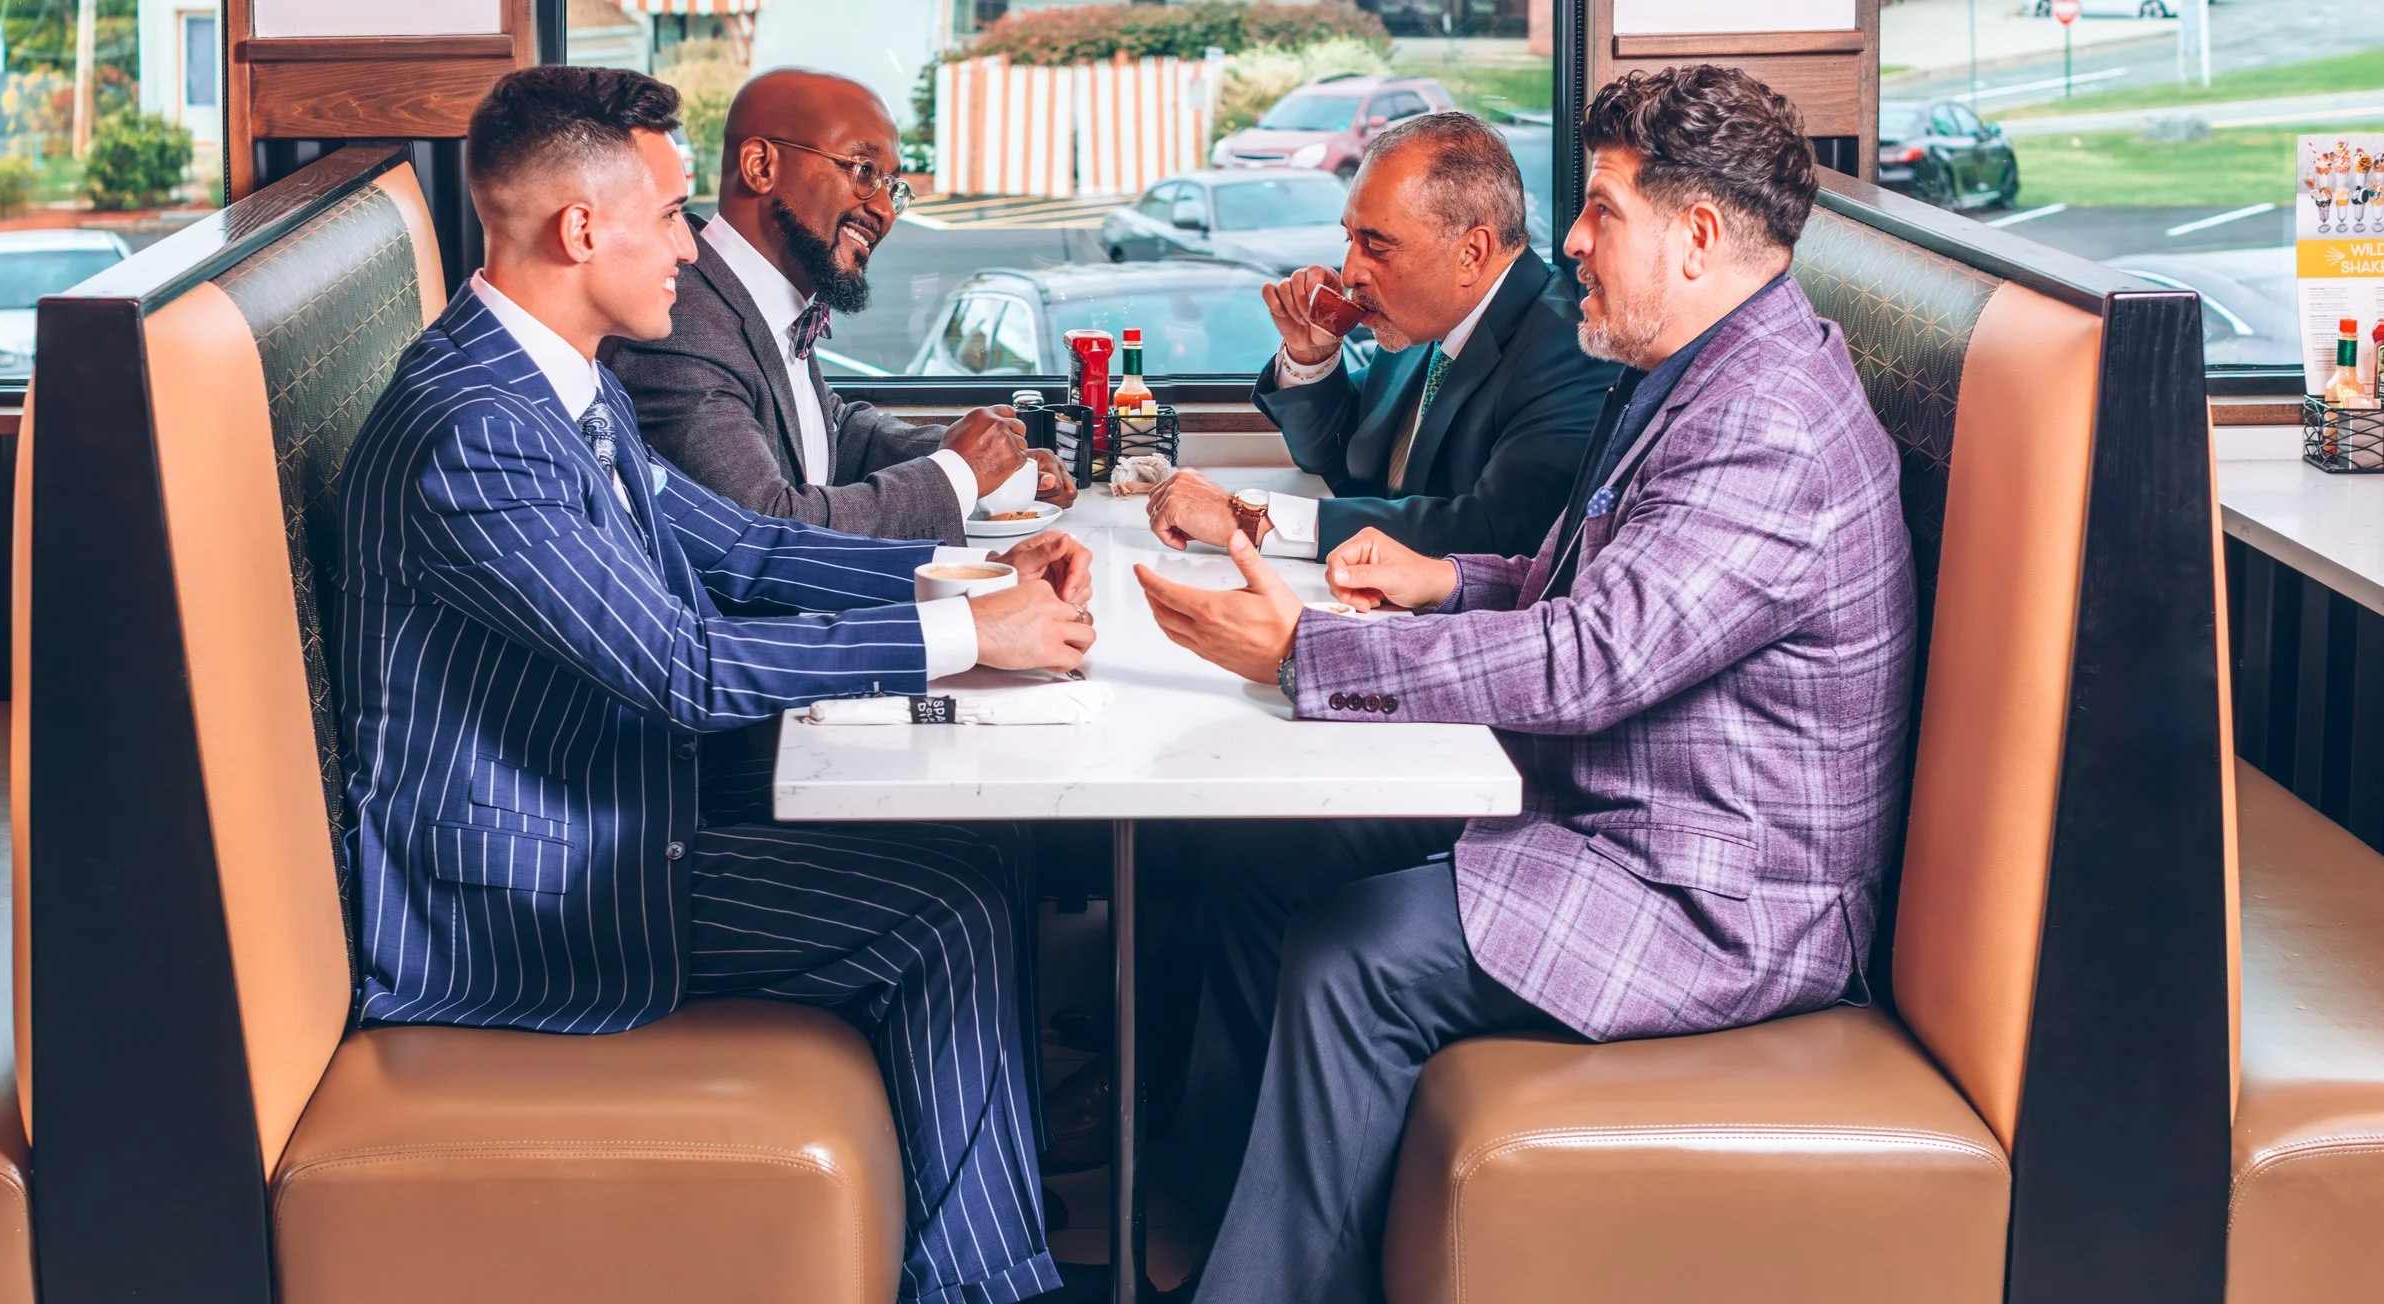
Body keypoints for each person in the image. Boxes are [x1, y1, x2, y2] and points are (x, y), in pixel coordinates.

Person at [1131, 66, 1916, 1303]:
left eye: (1601, 210)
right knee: (1258, 857)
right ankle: (1225, 1226)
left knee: (1354, 952)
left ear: (1697, 235)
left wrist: (1306, 652)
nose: (1573, 243)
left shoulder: (1766, 420)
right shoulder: (1691, 366)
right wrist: (1446, 581)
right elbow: (1581, 587)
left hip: (1711, 886)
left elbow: (1594, 655)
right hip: (1609, 807)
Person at [333, 66, 1097, 1304]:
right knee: (941, 913)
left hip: (608, 817)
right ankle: (990, 1288)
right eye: (671, 213)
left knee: (971, 857)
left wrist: (961, 575)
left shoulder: (554, 380)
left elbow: (740, 547)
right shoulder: (475, 426)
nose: (691, 244)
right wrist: (970, 638)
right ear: (583, 231)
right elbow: (682, 670)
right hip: (524, 903)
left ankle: (978, 1247)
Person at [605, 68, 1073, 547]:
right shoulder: (679, 324)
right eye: (864, 171)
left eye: (893, 187)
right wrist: (957, 472)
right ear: (761, 166)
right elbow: (765, 530)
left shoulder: (759, 293)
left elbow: (826, 433)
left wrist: (973, 454)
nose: (886, 211)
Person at [1142, 110, 1617, 562]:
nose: (1349, 272)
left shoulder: (1572, 347)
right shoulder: (1420, 323)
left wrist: (1250, 519)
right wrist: (1313, 359)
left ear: (1472, 253)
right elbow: (1329, 456)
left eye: (1378, 245)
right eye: (1350, 239)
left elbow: (1495, 530)